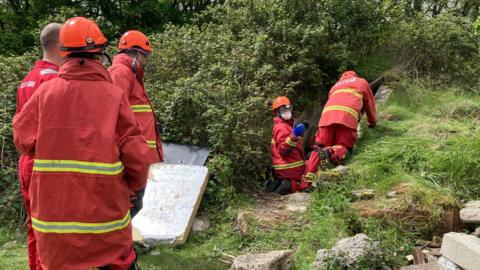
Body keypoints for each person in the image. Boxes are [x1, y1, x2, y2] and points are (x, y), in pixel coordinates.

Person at [13, 16, 150, 270]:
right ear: (99, 53)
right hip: (106, 223)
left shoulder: (45, 93)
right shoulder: (113, 96)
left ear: (63, 52)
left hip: (55, 224)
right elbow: (137, 156)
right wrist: (135, 189)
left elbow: (23, 139)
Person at [15, 22, 63, 270]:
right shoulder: (55, 80)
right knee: (51, 233)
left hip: (26, 160)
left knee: (35, 228)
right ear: (60, 45)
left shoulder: (27, 79)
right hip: (44, 163)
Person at [108, 30, 163, 217]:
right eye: (146, 57)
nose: (146, 62)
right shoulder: (121, 72)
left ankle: (136, 244)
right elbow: (114, 116)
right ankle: (130, 245)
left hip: (139, 156)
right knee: (132, 211)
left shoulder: (130, 74)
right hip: (133, 157)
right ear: (138, 53)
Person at [303, 71, 377, 181]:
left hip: (325, 119)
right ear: (355, 76)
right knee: (343, 146)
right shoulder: (362, 82)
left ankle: (309, 171)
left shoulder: (335, 86)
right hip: (346, 118)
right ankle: (330, 153)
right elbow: (369, 104)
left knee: (321, 146)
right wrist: (372, 122)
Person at [268, 96, 310, 194]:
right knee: (312, 165)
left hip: (286, 167)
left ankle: (287, 184)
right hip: (290, 168)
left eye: (288, 108)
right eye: (283, 109)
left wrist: (298, 132)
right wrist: (295, 135)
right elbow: (283, 149)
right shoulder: (281, 127)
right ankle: (292, 186)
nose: (287, 111)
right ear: (276, 112)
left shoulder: (285, 125)